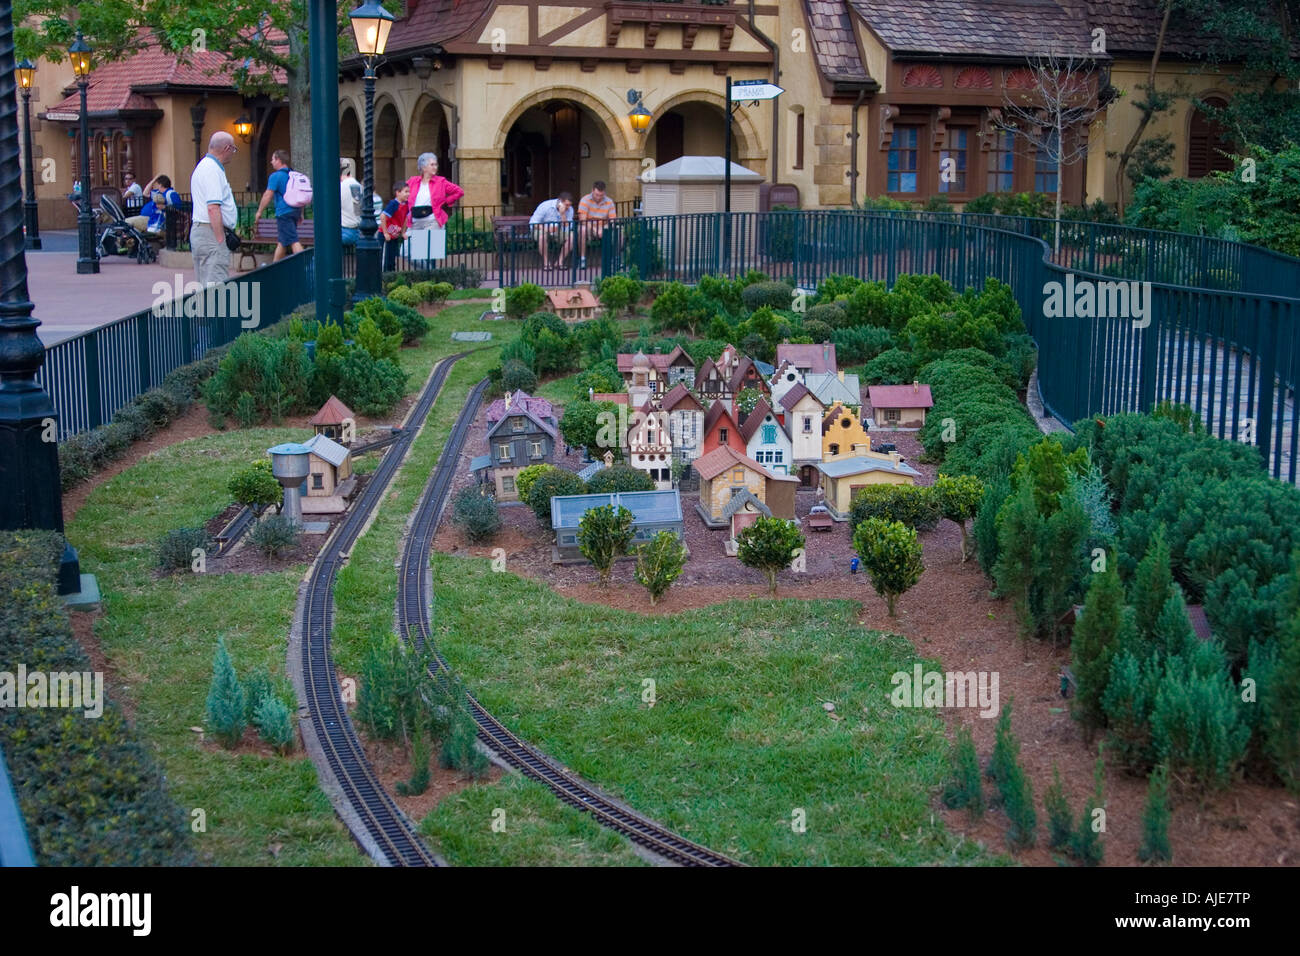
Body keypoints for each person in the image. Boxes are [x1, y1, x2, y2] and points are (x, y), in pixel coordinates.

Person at [190, 131, 238, 286]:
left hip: (202, 231)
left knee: (206, 284)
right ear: (226, 148)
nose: (233, 153)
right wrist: (220, 239)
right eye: (233, 149)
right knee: (215, 286)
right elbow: (213, 207)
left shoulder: (204, 166)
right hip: (210, 233)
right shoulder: (212, 170)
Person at [403, 152, 464, 264]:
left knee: (428, 254)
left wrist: (446, 202)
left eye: (436, 164)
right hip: (414, 221)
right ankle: (428, 273)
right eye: (432, 164)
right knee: (405, 252)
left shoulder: (441, 182)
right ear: (423, 167)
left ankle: (429, 277)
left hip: (433, 220)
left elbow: (459, 191)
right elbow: (402, 193)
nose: (435, 167)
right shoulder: (412, 181)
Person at [254, 150, 305, 261]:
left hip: (284, 212)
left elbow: (268, 195)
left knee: (293, 241)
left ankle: (306, 266)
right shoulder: (293, 175)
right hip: (295, 211)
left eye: (273, 159)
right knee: (282, 242)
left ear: (278, 160)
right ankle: (274, 269)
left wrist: (259, 212)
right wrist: (300, 213)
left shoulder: (275, 176)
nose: (271, 162)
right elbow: (299, 194)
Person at [529, 192, 574, 269]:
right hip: (541, 229)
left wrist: (563, 214)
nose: (568, 207)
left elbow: (567, 228)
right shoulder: (545, 206)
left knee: (572, 237)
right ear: (560, 201)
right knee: (542, 237)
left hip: (558, 230)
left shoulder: (570, 209)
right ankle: (546, 263)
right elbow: (533, 222)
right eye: (566, 205)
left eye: (569, 205)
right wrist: (545, 228)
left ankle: (559, 262)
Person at [576, 181, 616, 269]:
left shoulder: (609, 202)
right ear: (592, 191)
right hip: (588, 226)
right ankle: (582, 258)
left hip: (604, 226)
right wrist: (595, 229)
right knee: (582, 230)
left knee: (619, 232)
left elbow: (612, 220)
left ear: (604, 193)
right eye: (596, 195)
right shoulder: (585, 200)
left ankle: (615, 259)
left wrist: (605, 228)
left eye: (601, 195)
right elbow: (583, 220)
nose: (598, 197)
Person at [380, 182, 410, 273]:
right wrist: (385, 233)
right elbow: (383, 216)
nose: (408, 194)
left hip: (394, 236)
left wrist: (403, 232)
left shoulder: (406, 205)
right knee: (385, 261)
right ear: (398, 192)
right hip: (385, 237)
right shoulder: (393, 204)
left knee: (392, 261)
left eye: (409, 191)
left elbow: (405, 218)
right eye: (406, 191)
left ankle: (391, 280)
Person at [340, 159, 362, 247]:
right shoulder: (359, 186)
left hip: (343, 230)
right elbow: (357, 211)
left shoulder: (340, 187)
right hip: (357, 231)